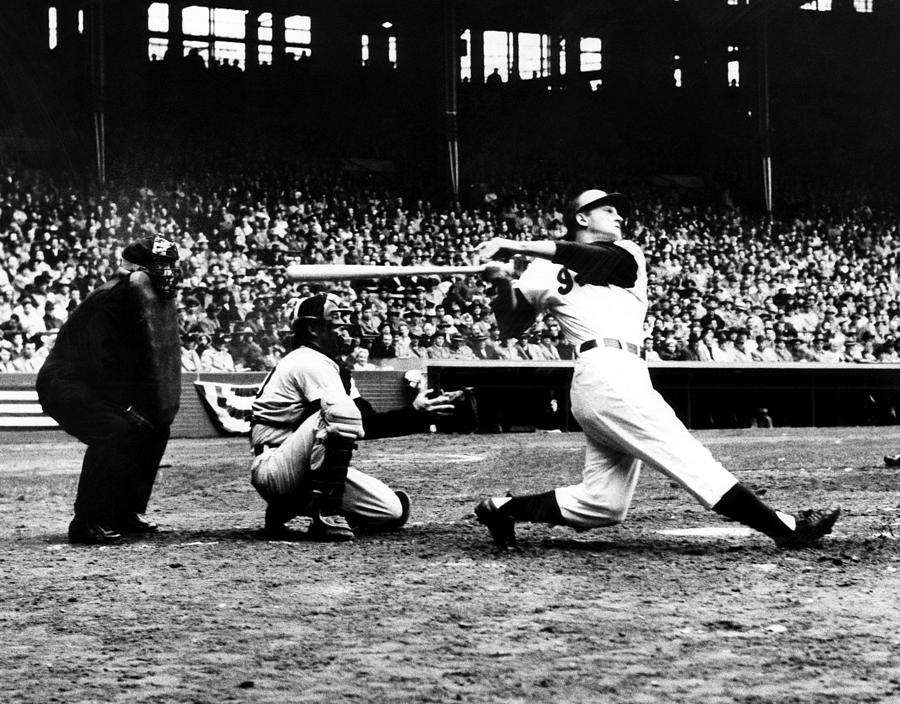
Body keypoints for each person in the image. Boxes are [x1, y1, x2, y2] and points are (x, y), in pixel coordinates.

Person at [472, 188, 840, 551]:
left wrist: (512, 244)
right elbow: (512, 325)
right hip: (603, 371)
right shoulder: (540, 269)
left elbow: (587, 258)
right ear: (581, 218)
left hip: (622, 373)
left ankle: (502, 508)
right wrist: (503, 282)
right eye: (608, 209)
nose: (619, 216)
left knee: (603, 504)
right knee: (691, 459)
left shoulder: (625, 252)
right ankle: (785, 527)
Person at [248, 292, 463, 542]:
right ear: (313, 328)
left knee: (392, 512)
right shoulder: (307, 360)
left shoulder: (333, 367)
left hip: (300, 468)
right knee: (339, 410)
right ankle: (325, 514)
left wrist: (420, 415)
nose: (345, 331)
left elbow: (368, 421)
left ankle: (291, 506)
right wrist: (413, 415)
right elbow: (348, 417)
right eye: (336, 325)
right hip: (275, 466)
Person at [36, 236, 182, 544]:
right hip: (67, 381)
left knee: (156, 429)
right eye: (160, 266)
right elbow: (101, 363)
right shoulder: (111, 298)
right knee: (115, 430)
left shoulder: (138, 297)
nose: (168, 272)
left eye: (171, 265)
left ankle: (123, 511)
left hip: (93, 381)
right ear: (138, 270)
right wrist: (126, 408)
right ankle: (87, 521)